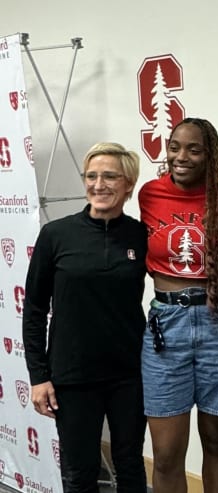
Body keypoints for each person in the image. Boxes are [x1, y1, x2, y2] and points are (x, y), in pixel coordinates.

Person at [23, 142, 147, 493]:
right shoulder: (56, 235)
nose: (99, 184)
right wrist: (38, 377)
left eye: (110, 176)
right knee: (80, 473)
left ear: (128, 184)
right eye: (91, 176)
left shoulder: (139, 234)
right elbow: (33, 310)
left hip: (130, 375)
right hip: (73, 377)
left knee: (131, 466)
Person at [138, 118, 218, 493]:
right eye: (174, 147)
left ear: (211, 155)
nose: (180, 156)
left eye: (193, 149)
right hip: (165, 326)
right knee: (167, 452)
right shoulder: (149, 194)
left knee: (217, 439)